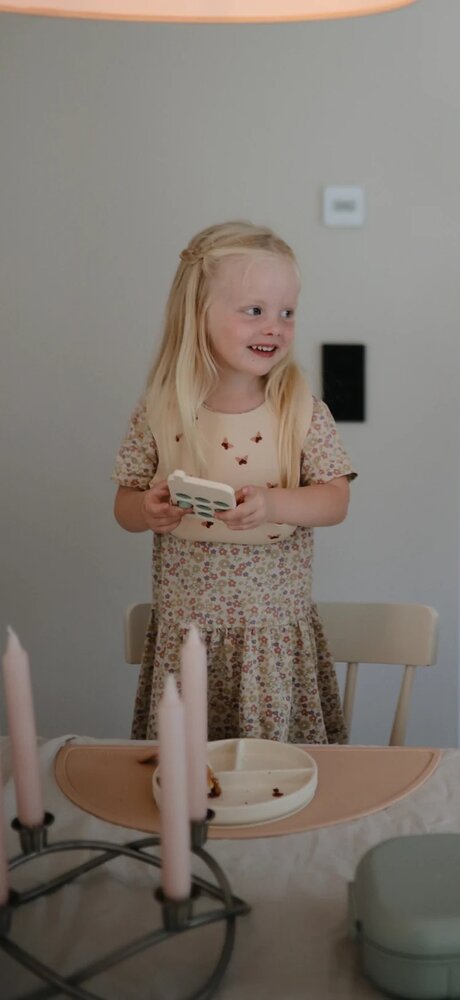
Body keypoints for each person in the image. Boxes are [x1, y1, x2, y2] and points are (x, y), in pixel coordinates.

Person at [113, 221, 355, 743]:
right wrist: (147, 510)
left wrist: (274, 505)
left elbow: (336, 501)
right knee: (189, 781)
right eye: (255, 311)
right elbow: (125, 504)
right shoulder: (159, 411)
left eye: (287, 313)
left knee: (274, 774)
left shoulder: (301, 411)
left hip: (272, 644)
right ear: (197, 316)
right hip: (188, 639)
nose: (275, 326)